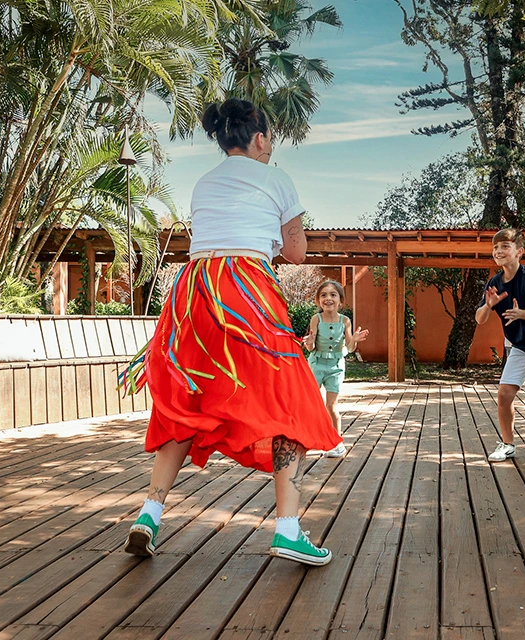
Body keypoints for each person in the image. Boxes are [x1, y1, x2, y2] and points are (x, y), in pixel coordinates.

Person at [121, 98, 340, 567]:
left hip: (194, 291)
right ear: (259, 138)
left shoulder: (204, 182)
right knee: (290, 402)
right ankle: (287, 528)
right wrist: (282, 236)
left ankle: (149, 515)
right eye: (271, 139)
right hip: (245, 291)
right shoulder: (277, 177)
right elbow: (298, 253)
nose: (271, 146)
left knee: (185, 402)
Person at [474, 229, 525, 461]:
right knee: (504, 394)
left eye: (504, 246)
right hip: (521, 347)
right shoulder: (494, 282)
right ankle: (508, 444)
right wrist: (488, 305)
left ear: (519, 252)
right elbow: (479, 319)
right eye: (495, 247)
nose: (498, 251)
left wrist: (521, 313)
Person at [303, 280, 369, 458]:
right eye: (323, 295)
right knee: (309, 402)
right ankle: (304, 440)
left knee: (331, 406)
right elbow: (311, 346)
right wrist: (309, 343)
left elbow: (350, 347)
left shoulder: (345, 321)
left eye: (333, 294)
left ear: (340, 300)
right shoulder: (316, 319)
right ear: (318, 300)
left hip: (336, 367)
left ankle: (337, 443)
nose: (328, 298)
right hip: (317, 364)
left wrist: (354, 339)